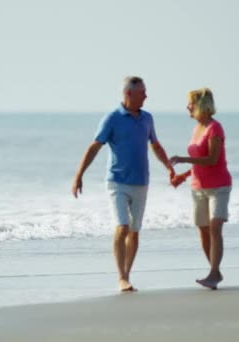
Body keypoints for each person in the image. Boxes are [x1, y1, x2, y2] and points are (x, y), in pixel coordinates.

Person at [72, 76, 175, 292]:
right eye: (142, 92)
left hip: (141, 182)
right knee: (122, 227)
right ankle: (121, 277)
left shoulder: (147, 118)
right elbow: (94, 147)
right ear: (129, 94)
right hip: (117, 182)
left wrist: (168, 167)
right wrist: (79, 175)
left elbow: (155, 145)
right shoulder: (111, 118)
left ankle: (127, 274)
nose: (146, 96)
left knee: (135, 231)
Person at [170, 87, 232, 290]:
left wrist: (182, 158)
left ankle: (213, 273)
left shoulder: (216, 128)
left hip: (219, 186)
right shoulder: (196, 128)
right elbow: (199, 163)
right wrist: (184, 176)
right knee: (203, 231)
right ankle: (214, 270)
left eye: (190, 103)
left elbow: (212, 159)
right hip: (198, 187)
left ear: (200, 106)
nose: (187, 107)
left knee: (215, 227)